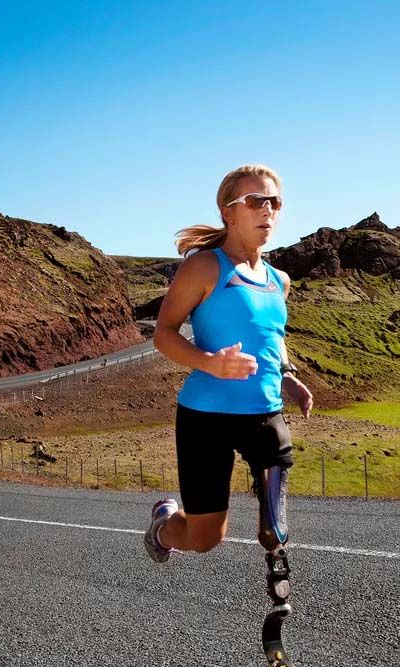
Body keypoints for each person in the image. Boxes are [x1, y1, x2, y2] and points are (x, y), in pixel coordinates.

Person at [144, 164, 314, 563]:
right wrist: (209, 363)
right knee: (205, 538)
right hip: (205, 418)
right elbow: (163, 333)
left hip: (264, 412)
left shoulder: (279, 280)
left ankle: (275, 534)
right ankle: (163, 526)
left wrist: (288, 375)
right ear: (228, 211)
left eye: (274, 201)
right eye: (254, 201)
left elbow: (272, 336)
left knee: (274, 528)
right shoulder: (204, 267)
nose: (267, 210)